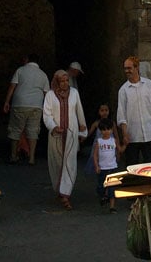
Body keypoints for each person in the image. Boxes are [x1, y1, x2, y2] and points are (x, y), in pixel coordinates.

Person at [42, 68, 87, 210]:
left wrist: (83, 130)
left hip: (71, 134)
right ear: (57, 82)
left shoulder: (74, 93)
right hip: (56, 135)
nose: (65, 84)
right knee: (56, 163)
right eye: (62, 81)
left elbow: (79, 111)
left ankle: (66, 194)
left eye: (67, 80)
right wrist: (54, 127)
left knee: (69, 163)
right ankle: (60, 189)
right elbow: (47, 115)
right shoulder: (50, 95)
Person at [3, 53, 50, 165]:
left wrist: (6, 102)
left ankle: (14, 156)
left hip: (19, 103)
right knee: (33, 131)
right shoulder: (43, 75)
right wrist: (48, 108)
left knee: (15, 130)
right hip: (36, 105)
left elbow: (12, 86)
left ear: (27, 60)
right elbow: (46, 93)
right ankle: (32, 158)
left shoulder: (20, 70)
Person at [117, 55, 151, 166]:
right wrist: (125, 134)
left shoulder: (150, 85)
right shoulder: (123, 90)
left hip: (149, 134)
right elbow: (122, 115)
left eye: (129, 68)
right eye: (125, 68)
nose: (127, 71)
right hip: (132, 136)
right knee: (132, 168)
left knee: (150, 167)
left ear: (137, 68)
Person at [93, 117, 123, 212]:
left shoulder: (113, 140)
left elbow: (120, 150)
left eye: (108, 129)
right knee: (101, 186)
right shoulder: (99, 141)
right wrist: (97, 166)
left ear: (111, 130)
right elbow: (95, 155)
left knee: (112, 187)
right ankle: (103, 196)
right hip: (102, 168)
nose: (106, 131)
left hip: (112, 167)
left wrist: (125, 144)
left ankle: (112, 206)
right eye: (104, 129)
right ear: (101, 130)